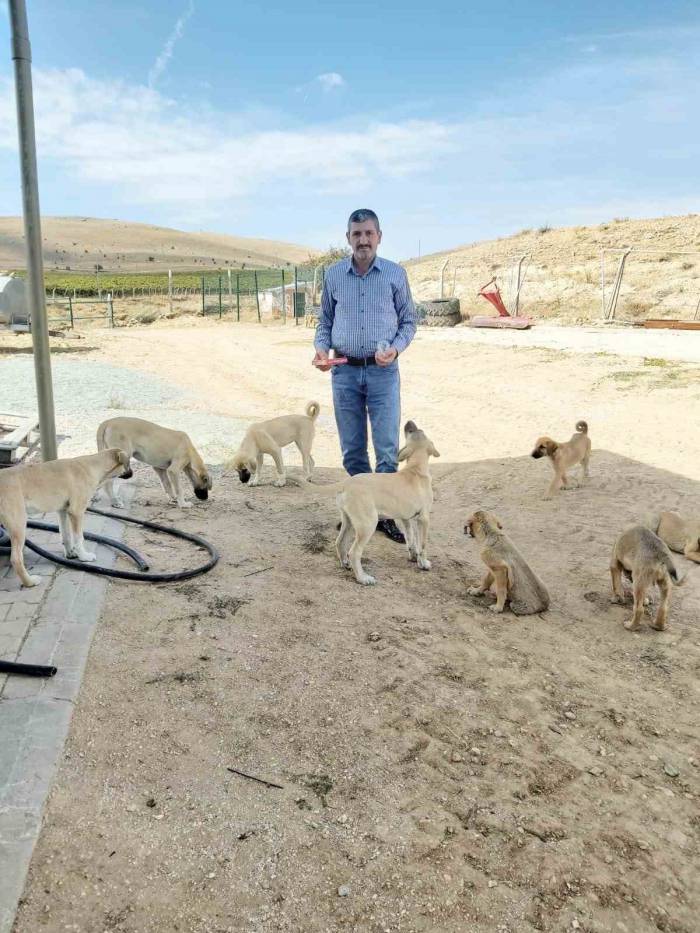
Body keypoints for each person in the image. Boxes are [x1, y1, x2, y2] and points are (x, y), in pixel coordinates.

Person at [313, 208, 417, 542]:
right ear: (348, 238)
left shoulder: (394, 274)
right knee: (353, 450)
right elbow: (324, 321)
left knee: (387, 450)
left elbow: (409, 322)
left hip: (383, 375)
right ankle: (362, 508)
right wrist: (321, 350)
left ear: (379, 236)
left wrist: (396, 349)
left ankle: (384, 515)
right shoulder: (332, 275)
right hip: (344, 373)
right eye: (356, 234)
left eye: (369, 233)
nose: (363, 240)